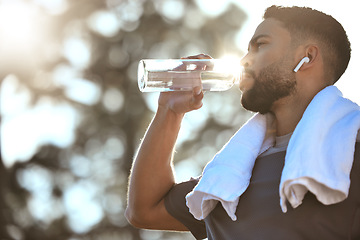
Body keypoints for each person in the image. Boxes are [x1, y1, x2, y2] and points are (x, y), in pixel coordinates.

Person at [125, 5, 360, 240]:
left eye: (261, 45)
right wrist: (169, 110)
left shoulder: (349, 157)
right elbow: (145, 210)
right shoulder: (230, 176)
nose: (245, 60)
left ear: (306, 57)